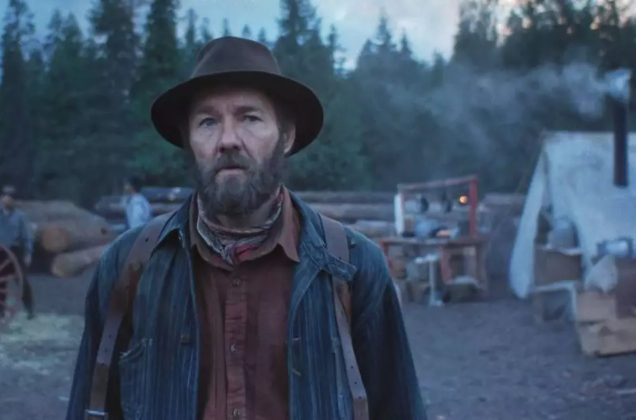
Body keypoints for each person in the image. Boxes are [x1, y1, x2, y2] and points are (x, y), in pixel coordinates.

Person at [66, 37, 425, 420]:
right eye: (208, 121)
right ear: (189, 141)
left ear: (285, 137)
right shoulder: (128, 267)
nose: (227, 140)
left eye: (249, 118)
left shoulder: (354, 267)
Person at [0, 185, 36, 320]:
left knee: (22, 281)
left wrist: (28, 253)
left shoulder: (20, 216)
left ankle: (29, 309)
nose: (8, 200)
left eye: (11, 198)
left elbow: (27, 236)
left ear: (14, 201)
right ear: (1, 198)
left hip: (15, 251)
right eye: (6, 197)